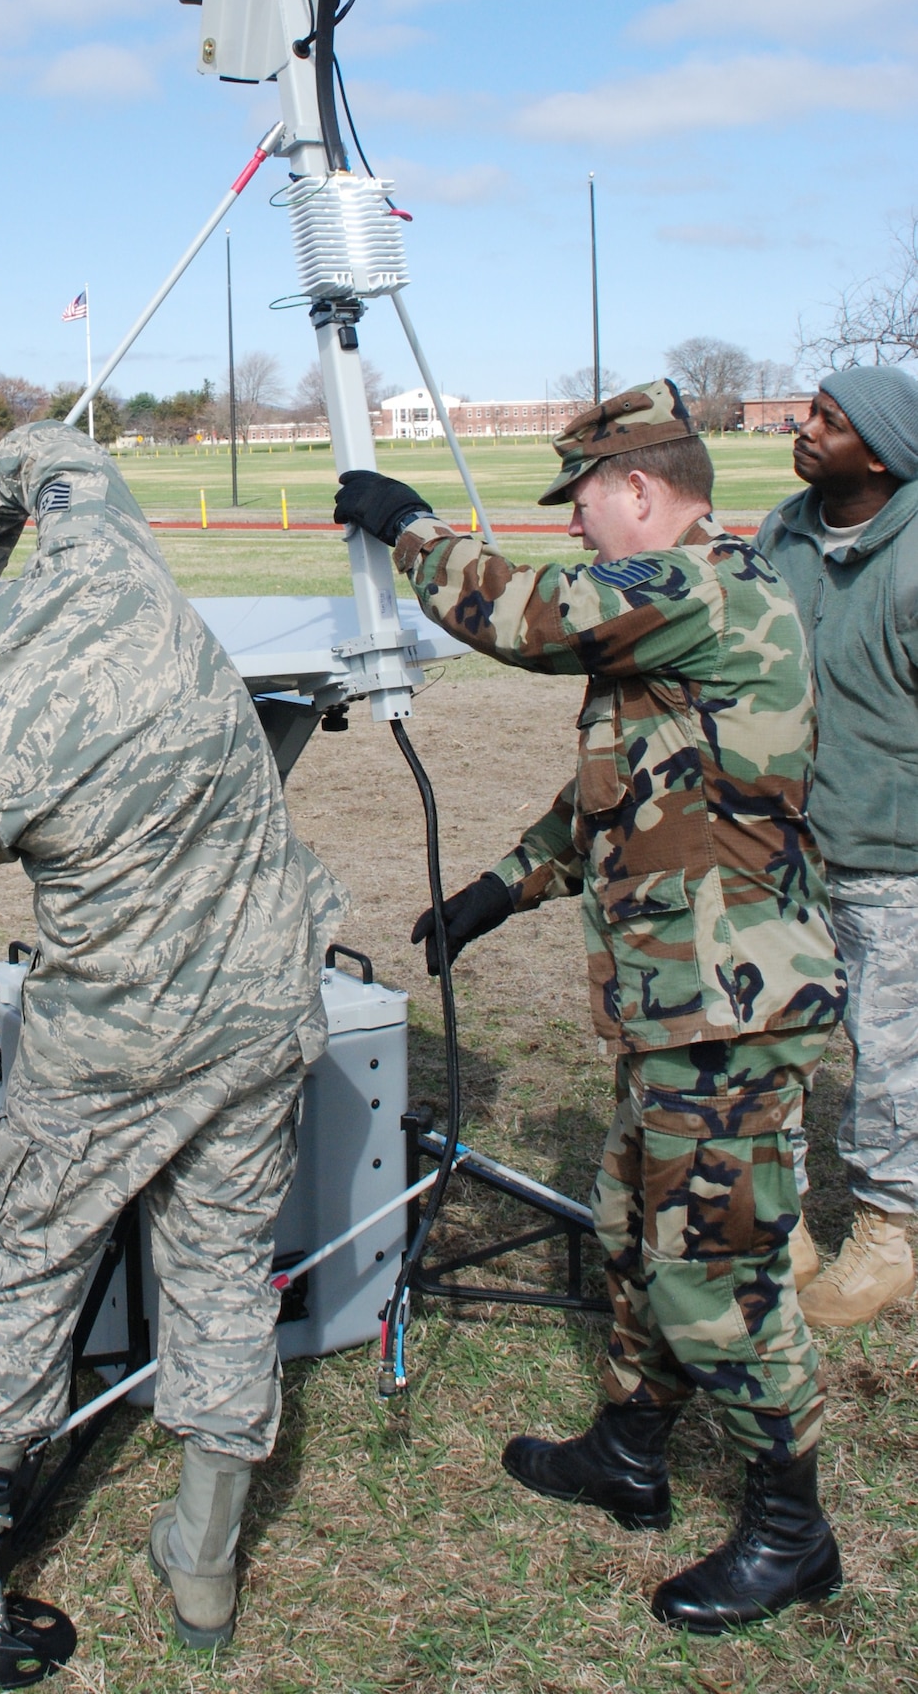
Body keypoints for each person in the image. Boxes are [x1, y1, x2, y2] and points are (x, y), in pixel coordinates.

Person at [334, 381, 847, 1636]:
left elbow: (524, 612)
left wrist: (409, 529)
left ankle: (792, 1528)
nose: (577, 527)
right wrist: (498, 889)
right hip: (673, 1006)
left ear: (639, 492)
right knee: (633, 1229)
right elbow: (616, 799)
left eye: (585, 503)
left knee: (711, 1271)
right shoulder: (668, 632)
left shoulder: (703, 588)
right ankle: (629, 1449)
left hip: (727, 1013)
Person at [0, 420, 345, 1649]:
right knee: (223, 1271)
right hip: (262, 999)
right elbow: (44, 447)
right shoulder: (105, 561)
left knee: (32, 1264)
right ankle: (205, 1563)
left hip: (108, 1033)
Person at [758, 367, 918, 1328]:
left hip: (892, 851)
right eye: (809, 413)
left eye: (830, 421)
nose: (804, 429)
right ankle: (782, 1221)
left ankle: (891, 1227)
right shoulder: (783, 532)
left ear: (884, 449)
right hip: (781, 842)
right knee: (774, 1030)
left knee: (891, 1053)